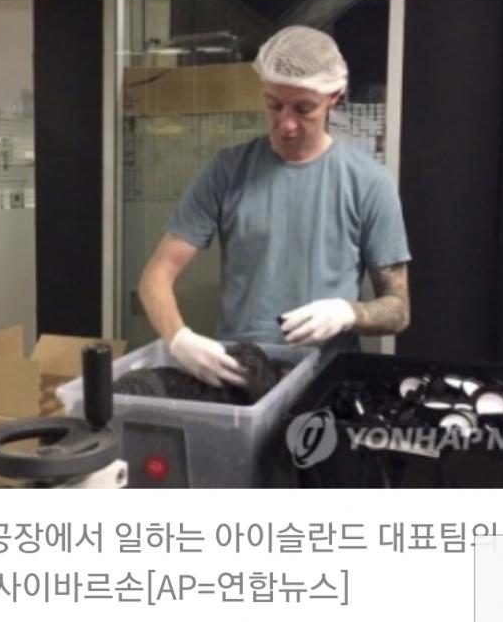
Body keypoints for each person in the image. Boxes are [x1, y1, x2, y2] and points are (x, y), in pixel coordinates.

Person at [138, 25, 411, 386]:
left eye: (304, 108)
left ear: (334, 97)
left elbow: (398, 309)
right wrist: (179, 338)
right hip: (243, 377)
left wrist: (349, 313)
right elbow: (156, 276)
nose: (286, 124)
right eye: (274, 105)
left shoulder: (368, 183)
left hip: (326, 380)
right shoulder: (228, 172)